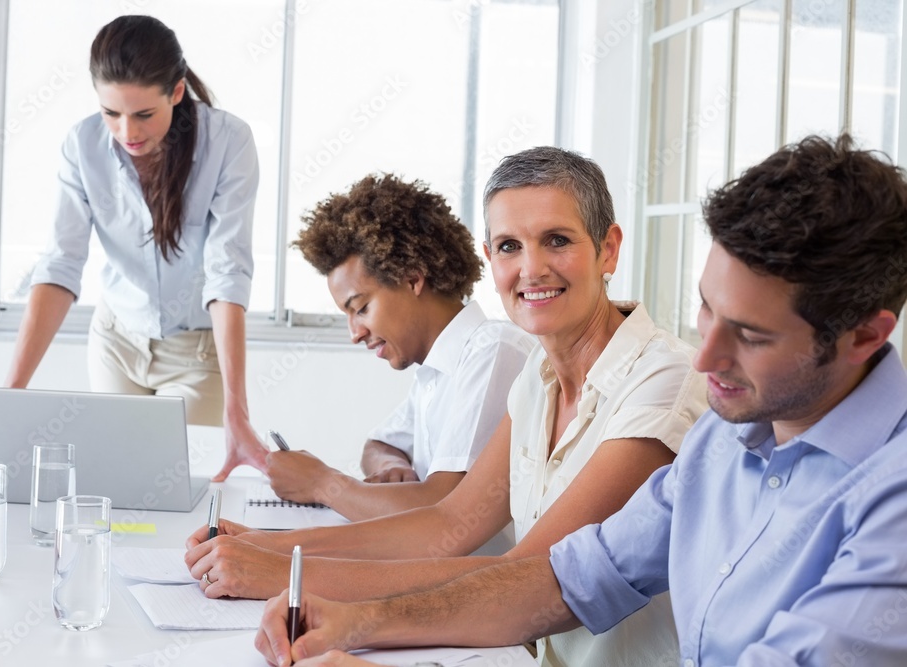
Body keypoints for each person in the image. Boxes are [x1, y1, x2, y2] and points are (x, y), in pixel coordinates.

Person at [255, 134, 907, 667]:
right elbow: (567, 578)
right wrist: (360, 620)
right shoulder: (728, 433)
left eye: (752, 334)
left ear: (865, 335)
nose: (705, 358)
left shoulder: (890, 501)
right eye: (706, 310)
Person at [185, 147, 708, 667]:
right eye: (509, 246)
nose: (531, 269)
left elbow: (533, 576)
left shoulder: (663, 381)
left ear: (608, 250)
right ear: (490, 259)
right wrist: (275, 549)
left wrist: (292, 575)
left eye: (557, 240)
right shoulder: (538, 376)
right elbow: (446, 523)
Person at [0, 15, 265, 480]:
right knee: (117, 486)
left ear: (176, 91)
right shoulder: (82, 146)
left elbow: (227, 273)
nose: (127, 132)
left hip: (195, 353)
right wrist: (6, 406)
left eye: (143, 114)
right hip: (117, 341)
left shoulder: (228, 142)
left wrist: (237, 411)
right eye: (111, 113)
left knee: (181, 488)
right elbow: (60, 266)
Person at [265, 173, 534, 520]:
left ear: (412, 279)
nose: (355, 333)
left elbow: (444, 508)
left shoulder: (493, 352)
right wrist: (392, 465)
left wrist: (321, 483)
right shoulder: (434, 372)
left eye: (361, 308)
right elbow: (379, 445)